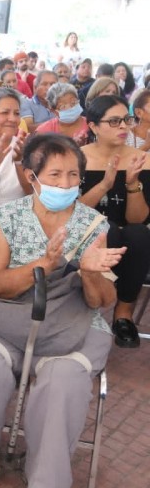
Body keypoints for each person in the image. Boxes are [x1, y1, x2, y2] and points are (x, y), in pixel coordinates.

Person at [0, 134, 124, 488]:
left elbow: (102, 302)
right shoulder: (5, 218)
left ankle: (45, 482)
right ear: (31, 177)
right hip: (5, 315)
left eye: (73, 175)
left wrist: (89, 272)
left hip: (74, 322)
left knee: (63, 381)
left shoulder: (93, 224)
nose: (65, 184)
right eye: (54, 175)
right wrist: (44, 266)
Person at [80, 95, 150, 348]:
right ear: (93, 126)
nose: (123, 126)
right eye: (114, 121)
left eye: (126, 120)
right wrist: (105, 184)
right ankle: (91, 308)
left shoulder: (142, 159)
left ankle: (124, 314)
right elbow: (74, 211)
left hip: (128, 235)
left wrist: (132, 183)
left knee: (140, 234)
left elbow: (138, 218)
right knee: (107, 229)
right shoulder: (77, 158)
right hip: (85, 230)